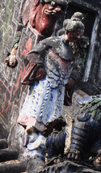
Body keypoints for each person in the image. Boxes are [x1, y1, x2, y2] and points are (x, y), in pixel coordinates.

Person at [17, 16, 85, 157]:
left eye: (79, 35)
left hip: (60, 85)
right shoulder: (52, 42)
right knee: (38, 109)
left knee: (54, 114)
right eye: (75, 33)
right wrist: (40, 68)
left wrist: (72, 78)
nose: (77, 37)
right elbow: (33, 54)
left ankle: (45, 136)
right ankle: (30, 134)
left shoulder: (72, 51)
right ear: (68, 31)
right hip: (46, 82)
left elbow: (76, 68)